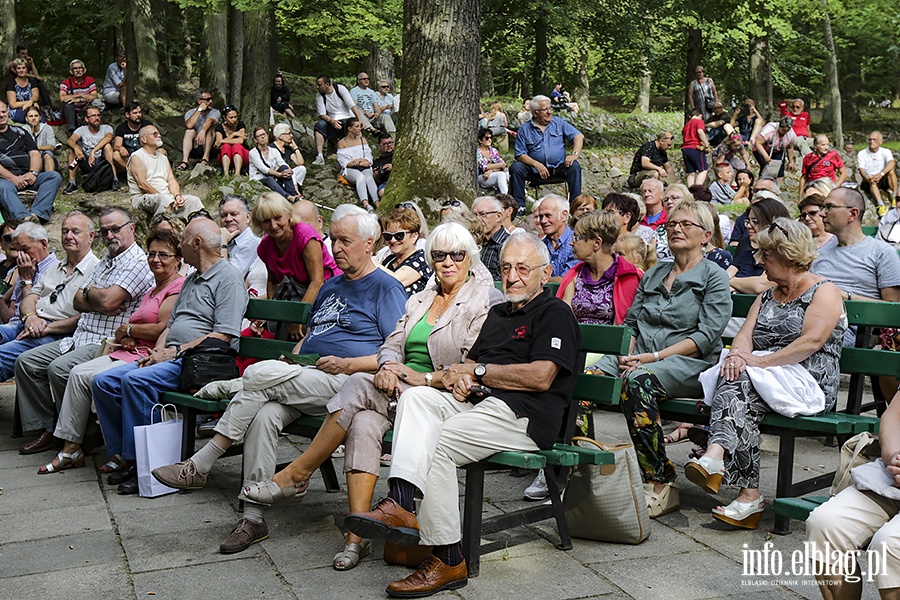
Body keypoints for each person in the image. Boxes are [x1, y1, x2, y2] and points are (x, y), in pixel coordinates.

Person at [233, 222, 501, 566]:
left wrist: (420, 377)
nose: (448, 261)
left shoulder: (482, 300)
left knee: (358, 383)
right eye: (439, 254)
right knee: (361, 421)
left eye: (457, 254)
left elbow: (469, 364)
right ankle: (356, 537)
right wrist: (388, 367)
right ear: (430, 258)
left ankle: (297, 473)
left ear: (470, 258)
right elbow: (391, 342)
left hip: (441, 397)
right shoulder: (422, 298)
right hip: (396, 391)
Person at [150, 205, 408, 553]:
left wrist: (347, 365)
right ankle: (253, 517)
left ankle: (203, 461)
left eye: (345, 241)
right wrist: (293, 355)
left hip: (347, 384)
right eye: (333, 240)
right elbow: (314, 334)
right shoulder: (332, 286)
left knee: (257, 374)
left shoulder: (385, 288)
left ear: (370, 242)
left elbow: (392, 353)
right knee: (265, 412)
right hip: (304, 373)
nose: (336, 248)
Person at [342, 231, 580, 596]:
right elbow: (469, 363)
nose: (512, 276)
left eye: (522, 268)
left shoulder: (554, 312)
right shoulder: (500, 311)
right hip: (481, 403)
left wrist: (479, 374)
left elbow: (541, 377)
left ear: (545, 272)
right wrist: (458, 378)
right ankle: (402, 501)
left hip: (524, 415)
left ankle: (448, 558)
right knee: (416, 399)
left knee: (440, 442)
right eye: (505, 268)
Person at [688, 218, 845, 528]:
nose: (759, 261)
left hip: (808, 383)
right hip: (766, 381)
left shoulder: (824, 291)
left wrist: (757, 363)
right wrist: (738, 355)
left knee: (739, 379)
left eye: (766, 255)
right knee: (737, 381)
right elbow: (745, 335)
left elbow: (811, 342)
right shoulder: (767, 295)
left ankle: (725, 464)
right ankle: (744, 492)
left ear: (788, 254)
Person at [588, 200, 731, 518]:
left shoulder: (714, 277)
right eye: (672, 224)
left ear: (706, 235)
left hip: (689, 365)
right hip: (640, 356)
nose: (676, 228)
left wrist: (651, 357)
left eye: (686, 224)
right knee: (583, 381)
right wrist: (627, 353)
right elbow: (631, 324)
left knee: (637, 381)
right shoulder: (654, 274)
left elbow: (705, 338)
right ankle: (582, 471)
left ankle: (660, 481)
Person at [92, 217, 246, 494]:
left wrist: (175, 352)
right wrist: (159, 351)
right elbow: (172, 325)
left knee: (136, 382)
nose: (180, 246)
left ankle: (143, 463)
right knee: (103, 382)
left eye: (183, 241)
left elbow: (224, 335)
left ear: (196, 244)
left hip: (201, 362)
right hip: (173, 356)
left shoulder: (228, 279)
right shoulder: (192, 278)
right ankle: (127, 456)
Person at [38, 230, 184, 474]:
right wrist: (126, 334)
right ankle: (71, 446)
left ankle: (116, 449)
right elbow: (128, 329)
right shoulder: (152, 290)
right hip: (128, 349)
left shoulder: (176, 287)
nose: (156, 259)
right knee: (77, 373)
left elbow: (160, 328)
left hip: (147, 355)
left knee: (98, 380)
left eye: (164, 255)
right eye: (152, 253)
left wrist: (127, 329)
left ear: (178, 259)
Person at [15, 208, 153, 455]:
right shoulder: (108, 261)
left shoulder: (137, 262)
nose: (110, 235)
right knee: (26, 362)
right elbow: (78, 301)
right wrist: (94, 296)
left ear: (131, 229)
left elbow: (110, 301)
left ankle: (83, 433)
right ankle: (49, 427)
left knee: (58, 369)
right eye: (105, 231)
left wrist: (94, 296)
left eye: (115, 229)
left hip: (106, 341)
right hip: (79, 335)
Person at [806, 392, 900, 598]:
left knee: (890, 544)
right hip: (890, 480)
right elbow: (894, 415)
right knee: (825, 524)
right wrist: (893, 457)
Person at [0, 213, 98, 382]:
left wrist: (46, 328)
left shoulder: (96, 270)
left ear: (90, 237)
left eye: (75, 232)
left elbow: (87, 317)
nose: (68, 236)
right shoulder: (56, 268)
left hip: (58, 334)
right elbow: (30, 298)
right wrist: (30, 318)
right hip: (29, 324)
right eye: (64, 231)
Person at [253, 192, 339, 315]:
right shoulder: (265, 246)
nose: (273, 225)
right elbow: (272, 281)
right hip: (296, 296)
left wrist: (297, 317)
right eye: (266, 221)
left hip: (329, 292)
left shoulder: (305, 235)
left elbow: (317, 280)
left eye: (278, 218)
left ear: (288, 214)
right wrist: (272, 314)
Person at [811, 187, 900, 303]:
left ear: (853, 214)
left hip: (863, 319)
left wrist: (845, 297)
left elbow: (893, 307)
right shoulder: (818, 253)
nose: (822, 214)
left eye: (829, 207)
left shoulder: (882, 252)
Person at [558, 209, 641, 325]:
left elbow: (623, 326)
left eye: (576, 238)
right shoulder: (575, 274)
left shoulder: (627, 276)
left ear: (597, 243)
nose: (571, 243)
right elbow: (564, 317)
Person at [510, 95, 584, 211]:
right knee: (516, 168)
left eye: (550, 108)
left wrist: (574, 154)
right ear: (535, 113)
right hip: (535, 171)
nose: (549, 112)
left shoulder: (559, 123)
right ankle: (520, 207)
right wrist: (536, 164)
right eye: (545, 110)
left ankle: (575, 207)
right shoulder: (524, 129)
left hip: (558, 167)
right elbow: (519, 154)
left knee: (574, 166)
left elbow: (578, 136)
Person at [0, 100, 61, 224]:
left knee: (53, 176)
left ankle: (37, 214)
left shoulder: (20, 131)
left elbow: (34, 153)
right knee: (2, 186)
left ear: (7, 112)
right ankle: (24, 218)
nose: (1, 115)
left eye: (3, 111)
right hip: (6, 180)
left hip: (28, 176)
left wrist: (33, 173)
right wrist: (13, 178)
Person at [127, 125, 204, 219]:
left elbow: (171, 180)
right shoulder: (137, 157)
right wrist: (165, 197)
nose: (159, 135)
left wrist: (177, 196)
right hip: (143, 197)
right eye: (155, 134)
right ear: (144, 139)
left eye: (158, 133)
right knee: (164, 200)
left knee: (193, 201)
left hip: (167, 197)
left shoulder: (163, 158)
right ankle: (167, 229)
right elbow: (142, 184)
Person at [727, 198, 790, 294]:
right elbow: (722, 279)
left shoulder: (782, 258)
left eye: (755, 222)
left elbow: (759, 286)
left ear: (772, 225)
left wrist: (732, 282)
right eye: (748, 221)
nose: (748, 226)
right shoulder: (746, 255)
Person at [0, 222, 56, 325]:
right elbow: (12, 317)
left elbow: (36, 317)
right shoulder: (22, 268)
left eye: (25, 249)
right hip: (12, 327)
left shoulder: (56, 270)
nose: (20, 256)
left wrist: (26, 280)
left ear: (43, 244)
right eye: (18, 251)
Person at [64, 105, 117, 193]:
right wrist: (76, 148)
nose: (97, 118)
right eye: (93, 116)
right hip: (87, 161)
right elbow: (70, 140)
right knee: (72, 150)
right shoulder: (82, 130)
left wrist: (94, 151)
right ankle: (72, 183)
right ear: (86, 119)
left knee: (107, 146)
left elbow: (108, 138)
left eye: (98, 115)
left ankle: (115, 179)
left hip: (102, 162)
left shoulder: (106, 128)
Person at [312, 75, 363, 165]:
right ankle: (320, 156)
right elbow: (322, 114)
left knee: (353, 125)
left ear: (327, 84)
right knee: (319, 125)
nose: (317, 87)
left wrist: (359, 119)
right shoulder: (320, 96)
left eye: (319, 85)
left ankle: (360, 152)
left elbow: (352, 105)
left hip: (347, 117)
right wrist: (332, 121)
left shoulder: (340, 89)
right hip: (332, 120)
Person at [380, 207, 431, 297]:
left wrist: (366, 259)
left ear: (414, 236)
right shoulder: (389, 260)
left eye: (399, 235)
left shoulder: (421, 260)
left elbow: (392, 282)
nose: (392, 240)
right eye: (388, 236)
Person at [337, 118, 378, 210]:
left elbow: (368, 156)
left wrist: (363, 161)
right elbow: (343, 161)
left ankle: (376, 201)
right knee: (360, 177)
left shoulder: (362, 140)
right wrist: (354, 163)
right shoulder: (341, 143)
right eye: (357, 127)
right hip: (351, 169)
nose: (359, 129)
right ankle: (365, 203)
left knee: (368, 177)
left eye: (360, 126)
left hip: (364, 166)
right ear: (349, 128)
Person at [249, 127, 300, 202]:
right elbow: (264, 169)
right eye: (259, 136)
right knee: (269, 179)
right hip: (259, 179)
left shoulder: (274, 151)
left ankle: (293, 194)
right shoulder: (253, 153)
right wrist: (279, 174)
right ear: (255, 140)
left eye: (264, 134)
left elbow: (282, 163)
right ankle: (288, 196)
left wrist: (289, 171)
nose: (262, 137)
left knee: (284, 168)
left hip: (273, 177)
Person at [534, 194, 578, 279]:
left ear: (564, 215)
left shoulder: (577, 242)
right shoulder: (540, 246)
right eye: (540, 216)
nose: (543, 221)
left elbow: (567, 280)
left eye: (548, 215)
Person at [219, 195, 260, 281]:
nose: (228, 219)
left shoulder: (253, 244)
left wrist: (223, 244)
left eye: (234, 214)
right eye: (224, 215)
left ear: (248, 217)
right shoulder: (223, 241)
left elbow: (228, 279)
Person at [178, 90, 220, 171]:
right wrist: (199, 110)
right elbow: (189, 125)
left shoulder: (215, 112)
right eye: (207, 100)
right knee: (189, 131)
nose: (210, 101)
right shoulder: (190, 112)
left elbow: (211, 120)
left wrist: (203, 131)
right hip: (196, 144)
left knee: (209, 131)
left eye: (211, 99)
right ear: (199, 101)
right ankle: (185, 161)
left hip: (209, 145)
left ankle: (205, 158)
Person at [59, 59, 103, 134]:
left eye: (80, 68)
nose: (78, 70)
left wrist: (78, 100)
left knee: (97, 102)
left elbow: (94, 95)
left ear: (84, 70)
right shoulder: (65, 83)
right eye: (75, 69)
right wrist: (83, 95)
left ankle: (97, 123)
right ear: (71, 71)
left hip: (86, 106)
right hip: (73, 109)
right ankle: (71, 129)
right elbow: (62, 98)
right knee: (68, 104)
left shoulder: (89, 80)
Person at [857, 131, 898, 213]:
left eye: (874, 140)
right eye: (870, 140)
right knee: (872, 182)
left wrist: (881, 174)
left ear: (880, 141)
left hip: (883, 177)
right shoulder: (862, 153)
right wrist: (867, 178)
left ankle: (894, 196)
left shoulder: (886, 151)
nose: (872, 142)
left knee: (891, 172)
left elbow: (892, 163)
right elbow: (861, 169)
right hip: (870, 178)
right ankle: (881, 205)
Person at [472, 196, 510, 281]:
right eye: (474, 215)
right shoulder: (476, 243)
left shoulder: (508, 244)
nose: (478, 220)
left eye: (483, 214)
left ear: (498, 216)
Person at [799, 134, 848, 199]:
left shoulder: (833, 155)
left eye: (827, 144)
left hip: (827, 188)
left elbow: (844, 173)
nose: (826, 147)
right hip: (812, 188)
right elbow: (804, 177)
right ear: (815, 146)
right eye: (823, 145)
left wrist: (834, 187)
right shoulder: (808, 158)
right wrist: (800, 195)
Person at [753, 117, 796, 184]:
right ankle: (761, 185)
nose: (784, 133)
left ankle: (776, 188)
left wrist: (791, 161)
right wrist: (766, 156)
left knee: (779, 169)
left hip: (778, 150)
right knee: (766, 168)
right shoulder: (769, 130)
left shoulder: (791, 134)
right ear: (779, 127)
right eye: (783, 131)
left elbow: (790, 147)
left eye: (786, 131)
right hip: (762, 148)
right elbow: (758, 143)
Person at [113, 103, 151, 175]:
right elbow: (116, 146)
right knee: (115, 155)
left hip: (146, 156)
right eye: (135, 113)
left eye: (140, 112)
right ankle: (136, 174)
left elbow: (155, 140)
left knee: (161, 151)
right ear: (127, 115)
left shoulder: (147, 125)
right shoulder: (121, 128)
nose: (138, 115)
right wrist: (121, 148)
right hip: (130, 159)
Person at [270, 123, 306, 198]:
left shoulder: (287, 149)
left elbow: (300, 162)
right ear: (281, 136)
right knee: (288, 170)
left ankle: (293, 187)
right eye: (289, 134)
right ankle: (295, 192)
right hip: (279, 176)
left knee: (302, 169)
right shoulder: (271, 148)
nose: (291, 136)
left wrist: (295, 147)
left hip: (289, 175)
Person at [213, 106, 249, 178]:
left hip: (241, 155)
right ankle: (226, 174)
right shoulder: (219, 128)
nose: (234, 120)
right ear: (224, 118)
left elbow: (240, 141)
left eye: (235, 117)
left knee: (236, 146)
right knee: (226, 146)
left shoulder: (240, 125)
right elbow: (217, 144)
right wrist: (233, 134)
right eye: (231, 117)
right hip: (225, 156)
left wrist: (223, 140)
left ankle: (237, 174)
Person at [23, 106, 57, 173]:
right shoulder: (23, 130)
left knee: (48, 154)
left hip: (44, 157)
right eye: (31, 116)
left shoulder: (47, 128)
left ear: (40, 118)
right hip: (30, 158)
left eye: (36, 116)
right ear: (26, 119)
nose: (33, 118)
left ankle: (50, 179)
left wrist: (36, 148)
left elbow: (52, 147)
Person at [681, 108, 709, 187]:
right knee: (703, 170)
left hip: (685, 148)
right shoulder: (699, 121)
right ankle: (697, 189)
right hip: (695, 148)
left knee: (691, 173)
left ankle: (690, 191)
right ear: (700, 115)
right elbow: (700, 132)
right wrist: (707, 144)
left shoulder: (687, 125)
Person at [476, 127, 508, 195]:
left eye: (491, 138)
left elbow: (504, 164)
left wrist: (491, 170)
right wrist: (499, 165)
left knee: (509, 174)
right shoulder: (477, 152)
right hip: (482, 177)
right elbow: (484, 167)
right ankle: (505, 197)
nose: (489, 140)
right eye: (487, 138)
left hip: (491, 174)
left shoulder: (493, 151)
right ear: (480, 140)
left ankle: (523, 195)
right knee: (501, 174)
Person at [5, 58, 39, 123]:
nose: (21, 70)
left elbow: (35, 96)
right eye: (19, 68)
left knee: (40, 118)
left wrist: (31, 102)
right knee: (30, 118)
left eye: (23, 68)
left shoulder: (32, 81)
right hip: (16, 110)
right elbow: (13, 104)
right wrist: (30, 102)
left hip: (31, 107)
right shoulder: (11, 83)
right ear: (15, 70)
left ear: (27, 69)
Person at [372, 133, 393, 199]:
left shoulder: (398, 155)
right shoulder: (376, 162)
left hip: (399, 179)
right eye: (385, 144)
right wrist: (376, 176)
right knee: (382, 192)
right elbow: (376, 181)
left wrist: (393, 167)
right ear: (379, 146)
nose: (389, 145)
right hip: (385, 183)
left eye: (391, 142)